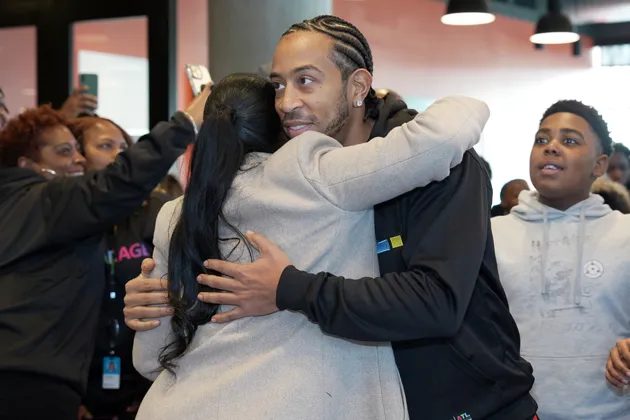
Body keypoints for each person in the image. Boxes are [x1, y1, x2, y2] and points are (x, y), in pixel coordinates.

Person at [124, 15, 537, 420]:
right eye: (277, 86)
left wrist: (291, 287)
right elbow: (179, 344)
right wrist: (159, 302)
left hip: (470, 405)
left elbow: (436, 301)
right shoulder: (287, 182)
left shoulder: (440, 167)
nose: (286, 103)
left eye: (305, 81)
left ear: (358, 86)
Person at [0, 85, 209, 420]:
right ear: (29, 164)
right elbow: (119, 182)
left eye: (123, 146)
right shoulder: (45, 201)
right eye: (66, 151)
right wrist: (186, 122)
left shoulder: (25, 204)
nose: (77, 160)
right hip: (32, 381)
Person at [492, 100, 630, 419]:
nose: (551, 147)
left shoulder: (625, 233)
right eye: (542, 139)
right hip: (513, 412)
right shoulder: (489, 236)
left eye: (569, 140)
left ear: (599, 165)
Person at [68, 117, 170, 419]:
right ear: (78, 157)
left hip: (147, 384)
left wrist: (157, 390)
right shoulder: (65, 221)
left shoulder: (157, 209)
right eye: (105, 146)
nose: (120, 155)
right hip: (80, 388)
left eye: (124, 146)